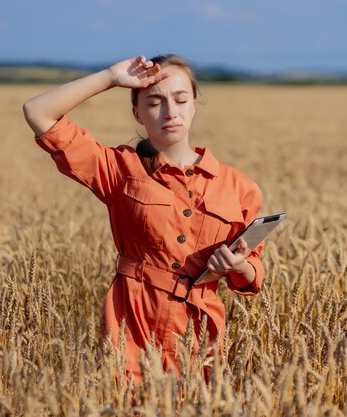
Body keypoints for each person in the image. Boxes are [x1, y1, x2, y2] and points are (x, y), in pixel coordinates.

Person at [22, 54, 266, 382]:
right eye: (154, 102)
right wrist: (110, 76)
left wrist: (237, 266)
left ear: (194, 105)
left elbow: (252, 273)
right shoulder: (119, 169)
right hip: (131, 323)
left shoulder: (240, 187)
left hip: (199, 332)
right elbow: (38, 112)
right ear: (137, 112)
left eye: (180, 99)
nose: (170, 111)